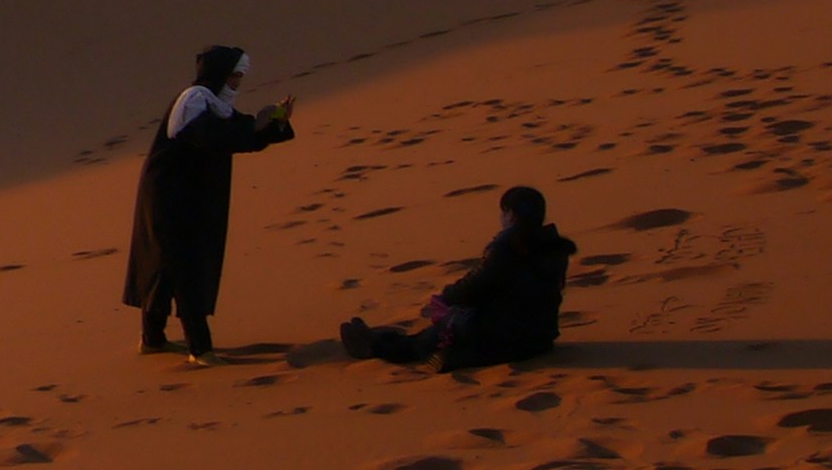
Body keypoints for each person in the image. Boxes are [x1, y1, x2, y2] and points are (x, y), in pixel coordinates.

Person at [124, 45, 294, 363]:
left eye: (239, 78)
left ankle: (153, 339)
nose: (236, 84)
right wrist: (253, 126)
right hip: (169, 197)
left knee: (170, 263)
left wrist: (274, 125)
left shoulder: (215, 104)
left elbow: (238, 137)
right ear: (217, 74)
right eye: (233, 77)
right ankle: (199, 348)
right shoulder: (194, 100)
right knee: (182, 264)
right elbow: (210, 136)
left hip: (191, 197)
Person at [342, 187, 576, 370]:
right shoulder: (554, 247)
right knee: (440, 333)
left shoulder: (508, 248)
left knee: (429, 340)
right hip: (540, 337)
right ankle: (384, 339)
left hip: (504, 335)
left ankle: (373, 346)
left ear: (510, 215)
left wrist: (445, 298)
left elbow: (475, 286)